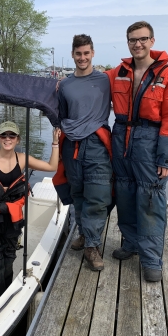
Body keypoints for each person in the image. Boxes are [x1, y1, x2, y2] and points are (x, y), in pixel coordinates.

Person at [105, 21, 168, 282]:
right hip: (121, 139)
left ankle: (151, 259)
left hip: (150, 142)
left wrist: (166, 158)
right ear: (127, 42)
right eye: (132, 40)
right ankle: (130, 243)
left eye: (142, 39)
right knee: (125, 194)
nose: (137, 44)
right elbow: (90, 83)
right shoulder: (118, 72)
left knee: (150, 199)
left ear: (152, 40)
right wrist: (64, 83)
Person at [0, 121, 61, 309]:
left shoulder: (22, 159)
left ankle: (6, 299)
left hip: (11, 219)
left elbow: (52, 167)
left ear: (18, 139)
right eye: (4, 136)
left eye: (12, 136)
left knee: (8, 260)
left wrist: (55, 143)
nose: (7, 139)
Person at [56, 34, 113, 271]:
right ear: (72, 54)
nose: (82, 57)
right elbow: (60, 116)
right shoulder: (65, 85)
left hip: (97, 144)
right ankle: (83, 234)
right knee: (77, 193)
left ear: (93, 53)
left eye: (86, 53)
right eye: (78, 53)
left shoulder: (106, 80)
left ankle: (92, 245)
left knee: (97, 197)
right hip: (72, 145)